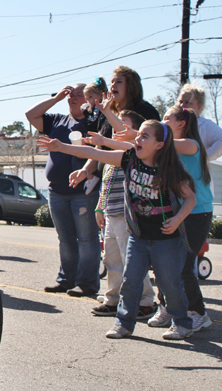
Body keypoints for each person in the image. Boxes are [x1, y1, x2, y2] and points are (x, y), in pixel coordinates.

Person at [38, 120, 197, 340]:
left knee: (170, 283)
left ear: (159, 145)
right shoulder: (129, 159)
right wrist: (62, 146)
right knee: (130, 280)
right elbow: (92, 152)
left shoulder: (169, 170)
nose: (137, 139)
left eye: (144, 136)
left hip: (166, 238)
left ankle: (182, 323)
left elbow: (190, 198)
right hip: (138, 236)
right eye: (138, 135)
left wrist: (178, 219)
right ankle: (123, 324)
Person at [26, 83, 101, 297]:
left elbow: (99, 153)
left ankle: (87, 283)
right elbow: (30, 115)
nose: (73, 98)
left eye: (79, 95)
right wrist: (56, 98)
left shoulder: (93, 122)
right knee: (65, 238)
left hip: (83, 191)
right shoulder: (58, 119)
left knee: (87, 239)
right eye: (71, 95)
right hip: (57, 191)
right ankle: (66, 280)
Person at [90, 108, 157, 319]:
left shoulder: (134, 154)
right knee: (111, 259)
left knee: (132, 261)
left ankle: (146, 301)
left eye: (123, 125)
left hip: (127, 215)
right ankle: (113, 298)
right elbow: (105, 185)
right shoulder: (112, 158)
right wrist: (100, 207)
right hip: (111, 213)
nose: (117, 129)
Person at [150, 106, 212, 332]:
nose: (163, 121)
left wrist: (138, 133)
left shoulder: (191, 144)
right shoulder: (166, 150)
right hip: (173, 211)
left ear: (181, 124)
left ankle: (199, 313)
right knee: (162, 263)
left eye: (167, 118)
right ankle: (166, 307)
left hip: (197, 213)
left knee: (184, 266)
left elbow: (156, 140)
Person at [176, 84, 222, 161]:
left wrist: (204, 159)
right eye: (180, 101)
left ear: (199, 106)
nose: (182, 105)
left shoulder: (204, 125)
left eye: (188, 102)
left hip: (192, 172)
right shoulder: (172, 122)